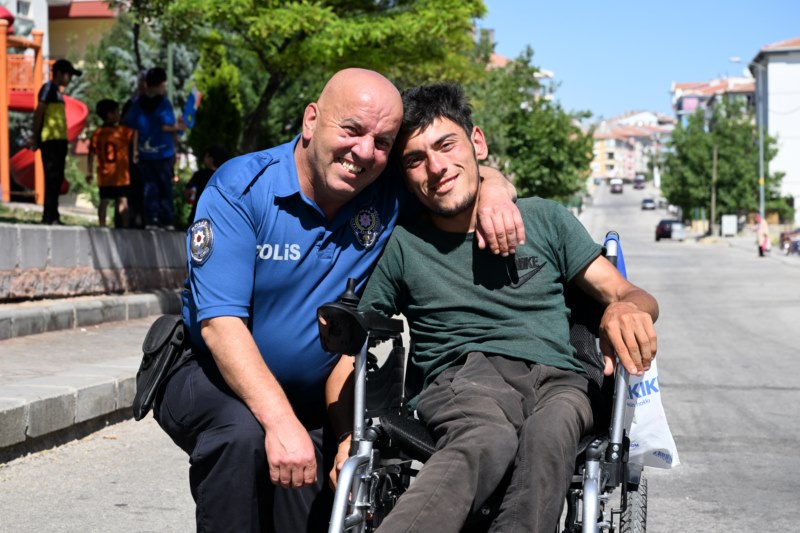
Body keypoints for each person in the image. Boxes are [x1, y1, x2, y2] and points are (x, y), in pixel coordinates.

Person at [153, 68, 524, 533]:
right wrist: (280, 423)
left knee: (333, 477)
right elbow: (220, 326)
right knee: (243, 438)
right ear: (311, 121)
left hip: (314, 393)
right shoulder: (241, 189)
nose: (364, 152)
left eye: (383, 141)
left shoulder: (385, 193)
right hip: (211, 375)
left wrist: (493, 194)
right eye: (351, 130)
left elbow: (459, 173)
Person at [354, 82, 659, 533]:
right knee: (486, 436)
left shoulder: (546, 219)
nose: (435, 167)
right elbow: (361, 330)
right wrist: (348, 433)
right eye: (415, 159)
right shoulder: (405, 245)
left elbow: (634, 296)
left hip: (560, 378)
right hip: (464, 378)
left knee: (550, 435)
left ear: (477, 143)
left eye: (445, 145)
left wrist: (622, 309)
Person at [123, 67, 186, 230]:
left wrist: (136, 150)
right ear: (159, 84)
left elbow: (130, 123)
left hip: (145, 153)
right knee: (165, 185)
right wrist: (179, 127)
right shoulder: (164, 103)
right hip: (163, 151)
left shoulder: (138, 103)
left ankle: (152, 219)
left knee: (149, 187)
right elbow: (166, 126)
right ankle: (167, 219)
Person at [31, 58, 82, 225]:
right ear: (60, 73)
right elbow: (39, 112)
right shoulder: (48, 89)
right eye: (68, 75)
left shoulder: (58, 92)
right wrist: (36, 136)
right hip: (50, 140)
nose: (70, 79)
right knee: (52, 177)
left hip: (59, 140)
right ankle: (48, 216)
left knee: (57, 178)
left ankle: (54, 215)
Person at [86, 99, 138, 228]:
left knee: (104, 201)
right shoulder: (121, 132)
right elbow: (135, 132)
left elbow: (91, 153)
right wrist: (135, 151)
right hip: (120, 175)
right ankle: (125, 227)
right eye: (116, 112)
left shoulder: (97, 134)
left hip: (104, 174)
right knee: (123, 201)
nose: (119, 115)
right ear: (109, 115)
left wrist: (89, 172)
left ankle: (102, 225)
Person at [183, 144, 232, 225]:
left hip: (196, 219)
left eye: (205, 156)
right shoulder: (225, 178)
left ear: (210, 159)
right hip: (216, 222)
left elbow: (188, 193)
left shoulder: (199, 175)